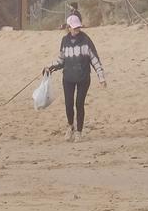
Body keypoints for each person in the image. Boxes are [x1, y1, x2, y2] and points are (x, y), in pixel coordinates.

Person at [43, 13, 107, 141]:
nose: (77, 30)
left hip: (83, 77)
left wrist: (101, 77)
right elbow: (61, 60)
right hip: (68, 78)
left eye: (78, 27)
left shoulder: (86, 40)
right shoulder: (64, 41)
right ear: (69, 28)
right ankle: (70, 126)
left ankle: (79, 131)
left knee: (79, 104)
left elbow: (94, 59)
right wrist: (50, 67)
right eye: (74, 28)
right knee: (68, 104)